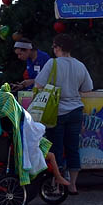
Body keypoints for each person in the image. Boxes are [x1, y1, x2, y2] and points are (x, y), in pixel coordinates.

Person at [35, 33, 93, 195]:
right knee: (73, 148)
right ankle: (73, 185)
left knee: (56, 148)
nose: (53, 49)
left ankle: (56, 184)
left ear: (58, 47)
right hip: (76, 111)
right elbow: (88, 88)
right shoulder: (80, 65)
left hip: (56, 112)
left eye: (54, 46)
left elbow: (38, 84)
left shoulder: (52, 63)